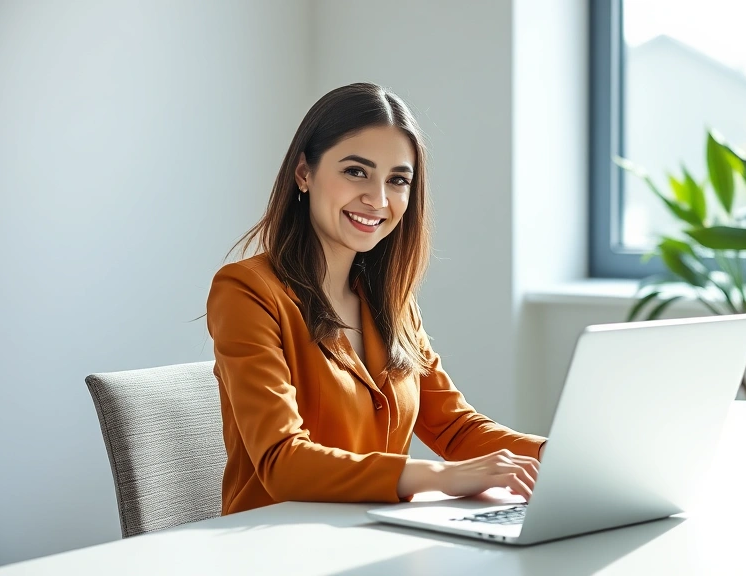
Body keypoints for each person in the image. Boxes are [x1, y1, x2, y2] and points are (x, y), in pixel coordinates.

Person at [206, 83, 546, 516]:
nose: (378, 199)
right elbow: (282, 461)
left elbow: (455, 428)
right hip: (279, 545)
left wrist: (559, 457)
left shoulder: (390, 301)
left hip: (380, 537)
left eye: (398, 180)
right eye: (356, 171)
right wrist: (440, 476)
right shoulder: (247, 291)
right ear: (303, 173)